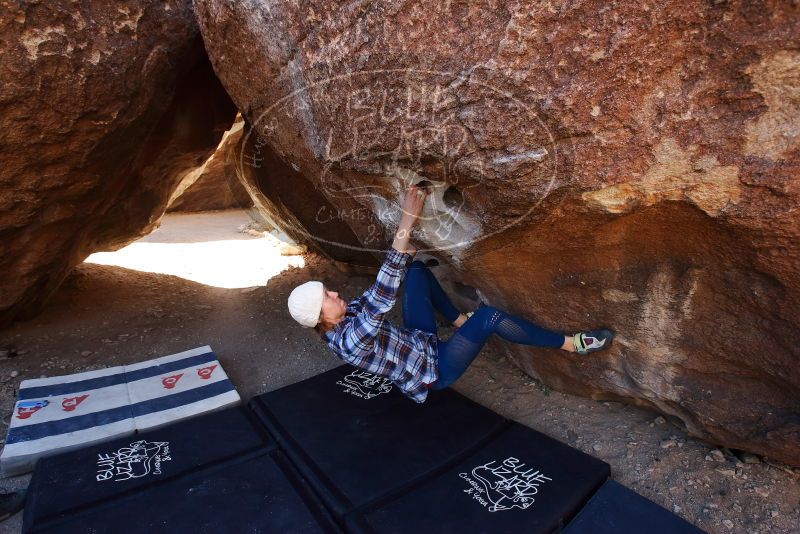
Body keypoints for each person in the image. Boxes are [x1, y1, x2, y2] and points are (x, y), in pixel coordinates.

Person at [287, 185, 613, 403]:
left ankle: (457, 321)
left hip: (419, 340)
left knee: (415, 271)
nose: (333, 293)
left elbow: (377, 291)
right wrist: (407, 220)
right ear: (320, 317)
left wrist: (402, 257)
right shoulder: (349, 341)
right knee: (487, 318)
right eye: (326, 297)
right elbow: (383, 297)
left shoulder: (340, 317)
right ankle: (572, 344)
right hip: (435, 369)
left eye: (327, 290)